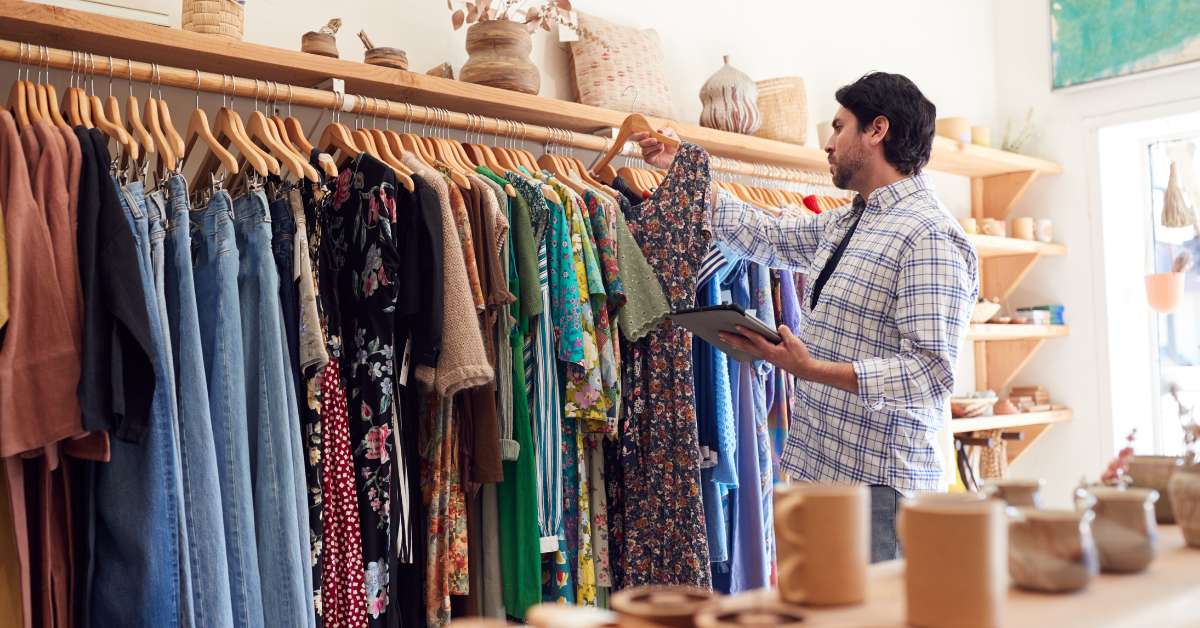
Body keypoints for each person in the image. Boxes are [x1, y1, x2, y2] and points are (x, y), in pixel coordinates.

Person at [634, 72, 979, 562]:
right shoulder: (849, 220)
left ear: (877, 130)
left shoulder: (928, 236)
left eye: (838, 127)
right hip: (821, 474)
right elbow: (763, 236)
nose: (828, 144)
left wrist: (809, 369)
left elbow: (931, 375)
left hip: (880, 491)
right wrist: (690, 176)